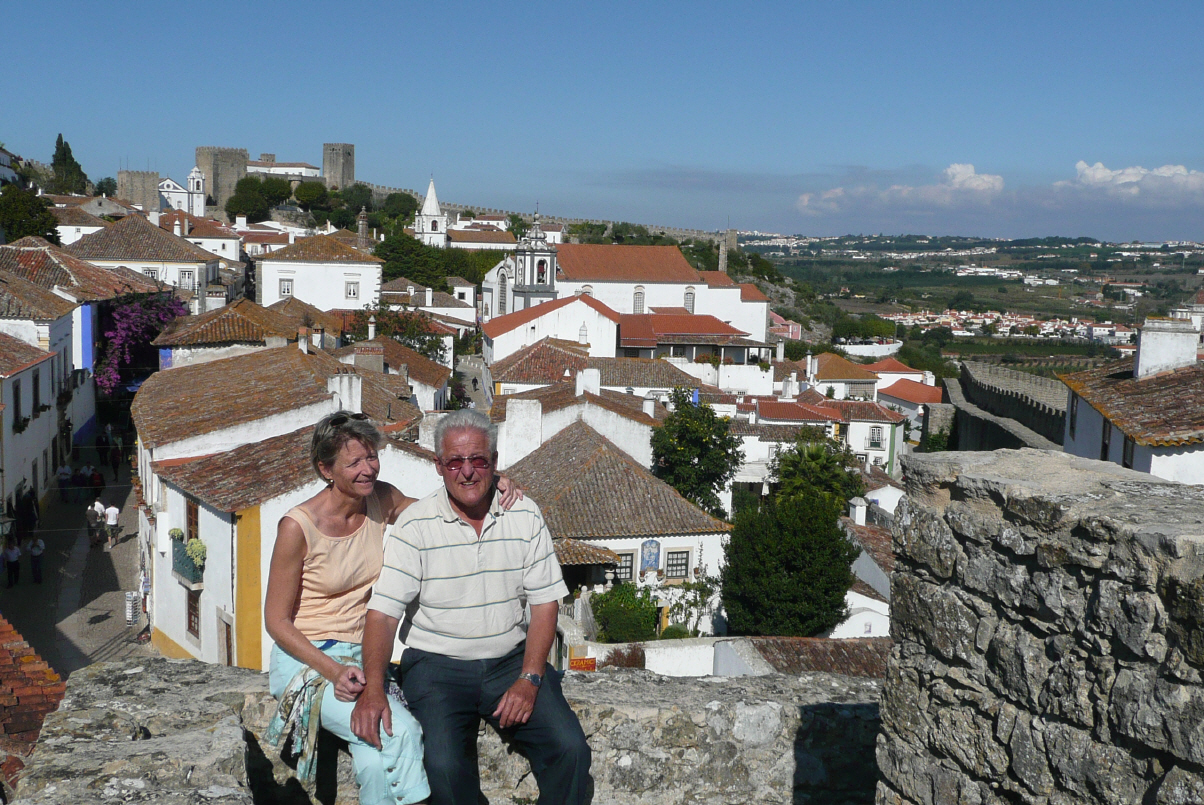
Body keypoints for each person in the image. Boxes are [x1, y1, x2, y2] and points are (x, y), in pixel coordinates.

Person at [262, 411, 524, 805]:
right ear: (326, 469)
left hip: (364, 659)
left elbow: (438, 513)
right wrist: (333, 671)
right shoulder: (297, 527)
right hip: (311, 663)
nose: (368, 469)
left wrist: (489, 484)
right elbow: (276, 621)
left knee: (373, 759)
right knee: (397, 730)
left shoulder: (381, 499)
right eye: (354, 462)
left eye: (371, 457)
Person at [353, 409, 591, 805]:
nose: (467, 471)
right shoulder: (415, 525)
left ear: (494, 462)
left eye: (478, 460)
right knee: (444, 769)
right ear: (439, 466)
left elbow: (545, 603)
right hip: (436, 667)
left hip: (509, 661)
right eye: (455, 462)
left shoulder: (524, 515)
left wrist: (530, 678)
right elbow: (383, 614)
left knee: (571, 750)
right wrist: (373, 688)